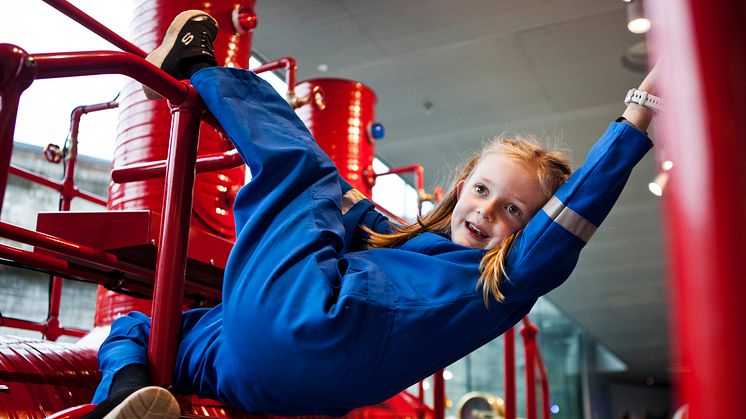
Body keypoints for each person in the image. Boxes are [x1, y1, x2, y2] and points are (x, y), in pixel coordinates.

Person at [85, 10, 659, 419]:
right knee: (136, 327)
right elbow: (356, 210)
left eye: (512, 210)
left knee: (306, 177)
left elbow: (578, 207)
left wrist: (639, 114)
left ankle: (199, 68)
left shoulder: (500, 281)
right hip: (261, 375)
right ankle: (124, 399)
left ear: (530, 234)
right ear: (460, 189)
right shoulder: (403, 243)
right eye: (482, 190)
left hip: (312, 332)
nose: (486, 211)